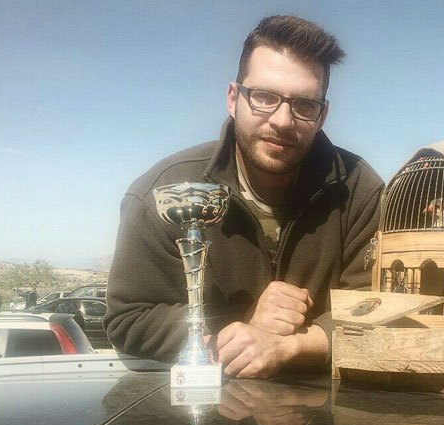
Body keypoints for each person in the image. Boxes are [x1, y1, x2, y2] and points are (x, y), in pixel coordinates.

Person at [104, 15, 384, 378]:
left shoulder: (359, 191)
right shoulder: (163, 193)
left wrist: (293, 347)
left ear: (322, 115)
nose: (282, 120)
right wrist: (241, 324)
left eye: (304, 105)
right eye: (264, 97)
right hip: (205, 405)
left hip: (326, 406)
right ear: (233, 98)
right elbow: (129, 318)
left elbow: (383, 308)